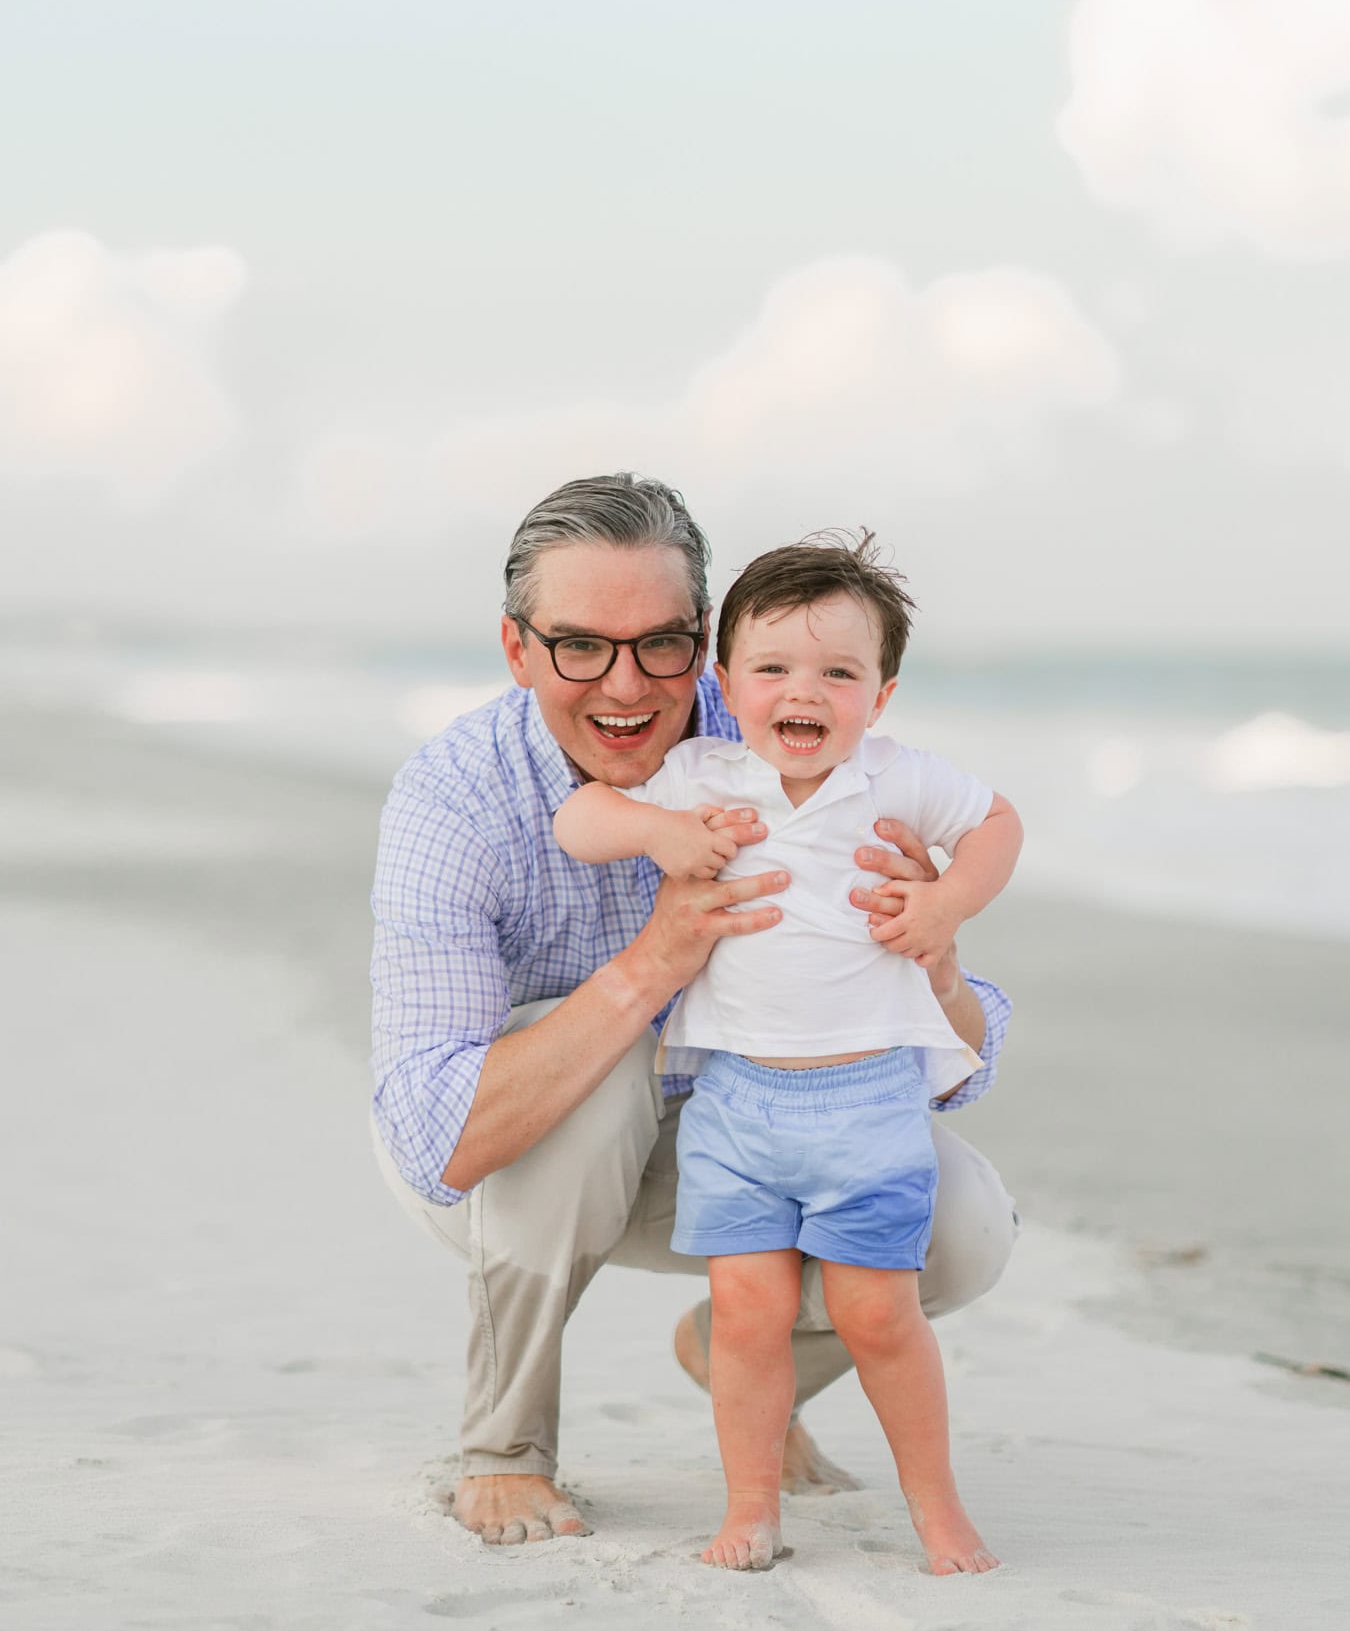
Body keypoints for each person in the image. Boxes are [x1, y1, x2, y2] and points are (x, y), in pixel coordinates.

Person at [370, 473, 1019, 1549]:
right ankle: (506, 1451)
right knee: (604, 1054)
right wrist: (651, 965)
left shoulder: (788, 722)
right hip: (515, 1158)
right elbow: (443, 1138)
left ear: (705, 641)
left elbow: (961, 1057)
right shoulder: (457, 800)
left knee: (962, 1227)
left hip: (746, 1126)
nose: (625, 684)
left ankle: (742, 1356)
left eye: (661, 643)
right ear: (517, 648)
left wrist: (935, 947)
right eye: (580, 644)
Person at [554, 536, 1022, 1574]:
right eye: (771, 669)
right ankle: (751, 1508)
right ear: (726, 685)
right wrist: (655, 833)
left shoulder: (897, 782)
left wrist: (947, 901)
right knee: (748, 1315)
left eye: (838, 674)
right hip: (737, 1106)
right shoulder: (703, 774)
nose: (801, 693)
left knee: (878, 1316)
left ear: (881, 695)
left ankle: (938, 1513)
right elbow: (581, 814)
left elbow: (997, 824)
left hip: (869, 1109)